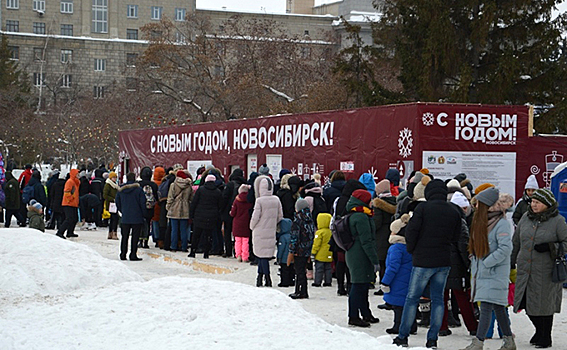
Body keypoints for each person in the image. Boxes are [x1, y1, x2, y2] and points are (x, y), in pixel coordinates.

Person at [393, 179, 461, 349]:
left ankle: (403, 337)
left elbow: (411, 231)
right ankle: (432, 340)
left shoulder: (422, 208)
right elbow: (456, 236)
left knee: (412, 298)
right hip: (443, 260)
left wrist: (412, 250)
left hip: (422, 260)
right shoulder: (453, 210)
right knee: (438, 300)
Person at [461, 188, 515, 350]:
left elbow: (505, 248)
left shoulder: (502, 223)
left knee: (485, 307)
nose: (476, 206)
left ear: (489, 206)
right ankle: (509, 341)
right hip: (483, 272)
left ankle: (478, 342)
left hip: (494, 273)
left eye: (479, 203)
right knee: (498, 308)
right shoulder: (483, 222)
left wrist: (487, 262)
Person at [512, 188, 567, 349]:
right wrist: (511, 260)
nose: (534, 205)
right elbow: (516, 241)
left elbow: (566, 243)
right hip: (525, 268)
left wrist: (551, 247)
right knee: (527, 303)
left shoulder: (558, 221)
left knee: (545, 304)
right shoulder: (525, 217)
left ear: (547, 204)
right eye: (533, 202)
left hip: (546, 271)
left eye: (537, 203)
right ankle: (539, 330)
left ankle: (545, 336)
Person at [439, 192, 478, 337]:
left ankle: (441, 327)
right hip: (456, 266)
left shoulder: (441, 219)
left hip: (441, 263)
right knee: (463, 298)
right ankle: (473, 326)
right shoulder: (460, 222)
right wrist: (469, 264)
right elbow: (463, 245)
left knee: (441, 297)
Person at [344, 189, 380, 327]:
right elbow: (367, 241)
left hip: (355, 253)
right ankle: (353, 316)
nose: (372, 202)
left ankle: (366, 313)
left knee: (363, 284)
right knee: (358, 285)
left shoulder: (357, 214)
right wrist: (374, 260)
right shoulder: (361, 217)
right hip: (360, 255)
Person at [381, 214, 416, 335]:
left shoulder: (396, 248)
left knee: (398, 306)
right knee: (408, 304)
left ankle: (398, 326)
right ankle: (412, 325)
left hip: (397, 281)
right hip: (408, 279)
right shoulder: (410, 246)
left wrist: (385, 281)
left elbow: (392, 267)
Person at [250, 175, 283, 287]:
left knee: (261, 255)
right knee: (263, 256)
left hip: (259, 230)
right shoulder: (276, 199)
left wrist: (251, 226)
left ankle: (265, 278)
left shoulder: (259, 201)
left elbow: (255, 217)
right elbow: (280, 216)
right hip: (271, 230)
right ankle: (260, 277)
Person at [115, 172, 146, 261]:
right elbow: (142, 203)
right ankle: (133, 254)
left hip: (125, 217)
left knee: (124, 236)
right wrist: (143, 213)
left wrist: (122, 211)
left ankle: (123, 254)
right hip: (137, 216)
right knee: (135, 237)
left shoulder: (121, 189)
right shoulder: (139, 190)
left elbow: (117, 202)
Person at [189, 174, 222, 259]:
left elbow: (194, 202)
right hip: (211, 217)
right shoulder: (217, 192)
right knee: (208, 235)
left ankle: (193, 252)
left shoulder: (201, 190)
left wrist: (191, 214)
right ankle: (206, 253)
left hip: (199, 215)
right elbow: (220, 205)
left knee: (196, 235)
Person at [373, 179, 397, 289]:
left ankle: (383, 285)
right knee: (391, 263)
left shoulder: (378, 205)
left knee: (382, 262)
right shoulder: (395, 201)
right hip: (393, 234)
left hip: (381, 237)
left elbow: (377, 223)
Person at [288, 198, 315, 297]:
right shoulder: (310, 218)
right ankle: (303, 290)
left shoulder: (297, 219)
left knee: (299, 271)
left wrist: (291, 250)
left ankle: (299, 291)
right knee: (303, 270)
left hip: (299, 249)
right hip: (307, 248)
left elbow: (294, 236)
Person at [221, 168, 246, 258]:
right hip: (240, 213)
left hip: (229, 211)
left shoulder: (230, 184)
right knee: (238, 233)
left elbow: (224, 198)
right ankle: (237, 251)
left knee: (228, 232)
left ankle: (228, 251)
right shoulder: (244, 184)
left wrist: (222, 210)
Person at [166, 170, 193, 252]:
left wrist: (168, 207)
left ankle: (173, 246)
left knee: (174, 230)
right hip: (185, 209)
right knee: (183, 230)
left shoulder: (173, 185)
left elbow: (170, 197)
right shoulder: (189, 186)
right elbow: (191, 199)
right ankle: (184, 247)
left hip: (174, 208)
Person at [230, 184, 253, 262]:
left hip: (237, 222)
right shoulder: (250, 200)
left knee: (238, 240)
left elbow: (233, 213)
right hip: (247, 222)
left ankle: (238, 255)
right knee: (246, 241)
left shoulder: (237, 200)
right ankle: (245, 256)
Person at [138, 166, 159, 249]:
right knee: (148, 223)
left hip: (140, 207)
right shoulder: (153, 185)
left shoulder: (138, 184)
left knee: (140, 225)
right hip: (150, 207)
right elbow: (156, 197)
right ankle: (146, 241)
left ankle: (140, 240)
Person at [56, 169, 80, 239]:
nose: (79, 175)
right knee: (69, 218)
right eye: (77, 174)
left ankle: (70, 232)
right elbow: (67, 192)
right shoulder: (70, 182)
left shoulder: (76, 182)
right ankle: (60, 232)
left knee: (75, 218)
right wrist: (71, 198)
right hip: (68, 203)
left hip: (73, 203)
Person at [311, 213, 333, 287]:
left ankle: (318, 282)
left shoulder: (319, 233)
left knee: (319, 269)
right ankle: (328, 281)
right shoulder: (331, 232)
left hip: (320, 255)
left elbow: (316, 244)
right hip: (329, 254)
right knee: (328, 269)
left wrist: (313, 252)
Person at [276, 218, 294, 287]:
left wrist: (278, 257)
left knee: (284, 271)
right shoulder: (293, 235)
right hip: (292, 258)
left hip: (284, 258)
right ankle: (291, 281)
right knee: (291, 270)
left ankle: (285, 282)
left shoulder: (283, 237)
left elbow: (281, 248)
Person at [103, 172, 120, 240]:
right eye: (113, 177)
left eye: (115, 177)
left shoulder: (115, 185)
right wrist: (113, 199)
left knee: (113, 219)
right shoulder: (108, 185)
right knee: (114, 219)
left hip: (114, 204)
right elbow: (105, 195)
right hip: (111, 204)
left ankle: (110, 233)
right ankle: (113, 233)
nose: (115, 179)